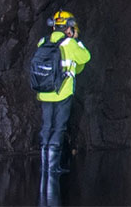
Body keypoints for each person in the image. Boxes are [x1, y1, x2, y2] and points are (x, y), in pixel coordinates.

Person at [35, 10, 90, 174]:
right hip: (63, 92)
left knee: (46, 126)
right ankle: (53, 167)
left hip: (44, 92)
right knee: (59, 127)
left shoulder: (43, 42)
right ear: (68, 28)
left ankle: (44, 166)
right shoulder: (70, 44)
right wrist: (77, 41)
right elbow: (85, 58)